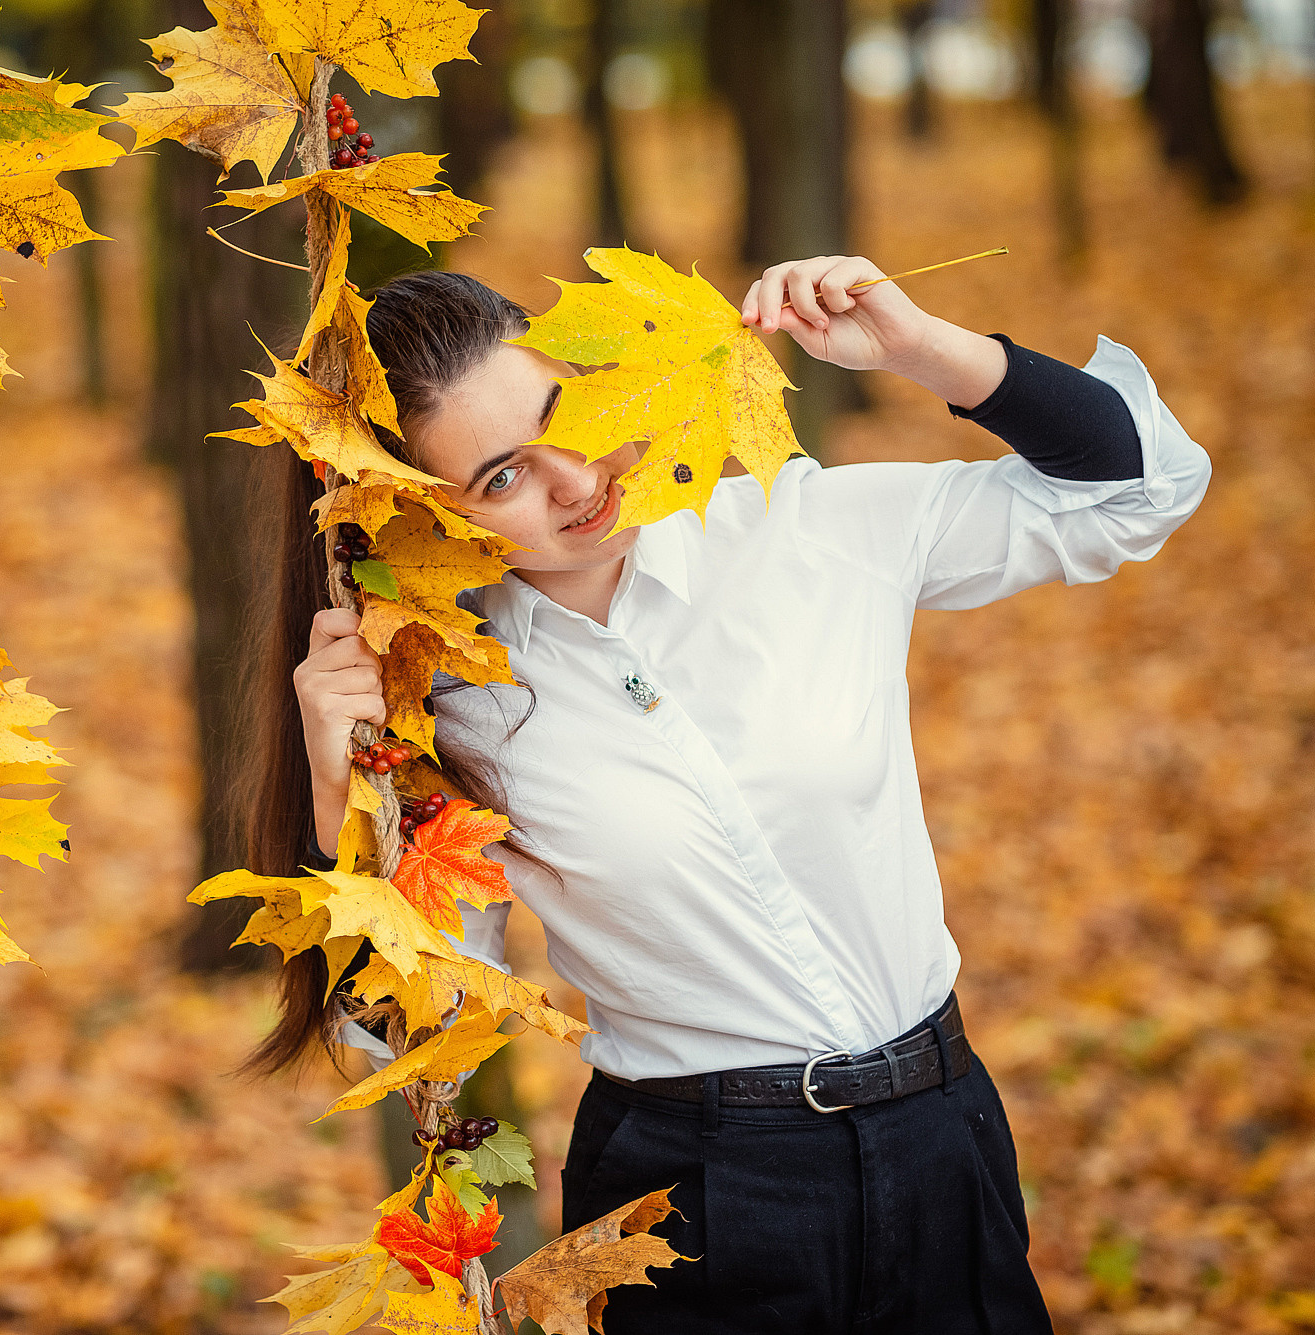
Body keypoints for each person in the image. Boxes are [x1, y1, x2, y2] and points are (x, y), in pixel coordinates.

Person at [229, 254, 1212, 1333]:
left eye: (569, 412)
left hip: (940, 1138)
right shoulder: (448, 700)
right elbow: (405, 1033)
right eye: (500, 478)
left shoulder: (803, 530)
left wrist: (921, 346)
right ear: (421, 516)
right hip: (689, 1198)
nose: (574, 479)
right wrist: (343, 797)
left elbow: (1136, 488)